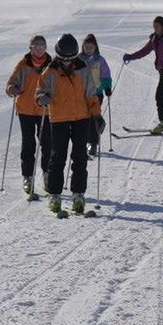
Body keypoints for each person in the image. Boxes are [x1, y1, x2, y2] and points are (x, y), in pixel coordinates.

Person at [36, 34, 101, 215]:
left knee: (80, 157)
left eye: (70, 59)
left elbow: (91, 93)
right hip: (58, 119)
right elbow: (39, 91)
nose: (67, 62)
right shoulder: (50, 71)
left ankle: (78, 194)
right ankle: (55, 194)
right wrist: (42, 98)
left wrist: (96, 114)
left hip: (81, 118)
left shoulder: (84, 69)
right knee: (57, 157)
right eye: (63, 59)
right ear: (58, 55)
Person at [4, 35, 52, 198]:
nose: (40, 49)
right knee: (28, 144)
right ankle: (28, 178)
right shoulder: (23, 64)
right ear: (30, 47)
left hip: (44, 109)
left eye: (42, 46)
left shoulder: (51, 65)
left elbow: (58, 86)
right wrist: (12, 89)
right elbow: (10, 83)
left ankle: (47, 175)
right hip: (25, 109)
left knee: (47, 144)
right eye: (36, 46)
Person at [81, 33, 113, 156]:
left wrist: (107, 87)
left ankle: (93, 143)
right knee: (84, 118)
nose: (88, 49)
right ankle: (83, 142)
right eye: (86, 47)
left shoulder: (99, 60)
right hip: (82, 94)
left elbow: (105, 75)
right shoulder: (79, 59)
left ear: (95, 47)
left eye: (91, 47)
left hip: (96, 93)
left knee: (93, 117)